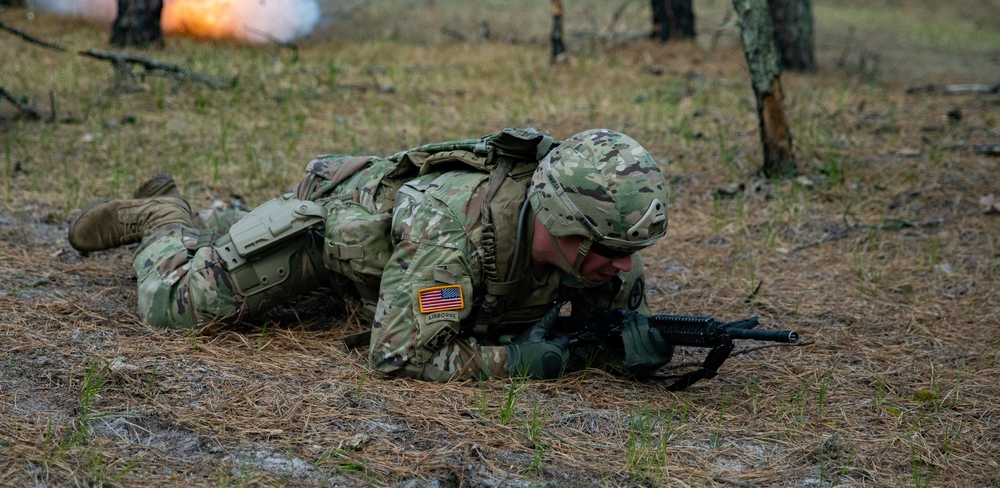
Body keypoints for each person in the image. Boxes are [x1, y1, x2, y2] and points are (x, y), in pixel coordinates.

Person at [68, 128, 673, 381]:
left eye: (631, 252)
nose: (623, 268)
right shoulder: (452, 236)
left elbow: (605, 329)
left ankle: (225, 221)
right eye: (612, 251)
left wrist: (625, 346)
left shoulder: (605, 251)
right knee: (172, 303)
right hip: (328, 237)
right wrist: (529, 362)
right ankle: (164, 216)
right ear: (565, 221)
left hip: (386, 267)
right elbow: (399, 356)